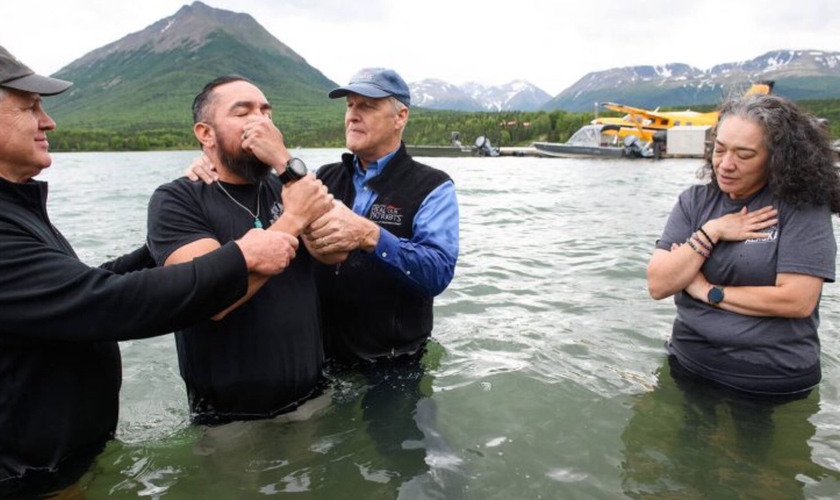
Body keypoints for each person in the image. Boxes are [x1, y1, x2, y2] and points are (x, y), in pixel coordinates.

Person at [0, 47, 298, 496]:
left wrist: (164, 244)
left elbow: (76, 287)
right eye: (29, 107)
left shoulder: (16, 208)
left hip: (59, 464)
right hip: (26, 478)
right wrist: (245, 255)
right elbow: (104, 302)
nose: (48, 122)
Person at [146, 75, 334, 425]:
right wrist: (293, 219)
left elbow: (334, 250)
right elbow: (205, 298)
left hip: (311, 397)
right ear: (205, 134)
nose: (260, 121)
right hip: (230, 416)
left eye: (266, 112)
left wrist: (283, 160)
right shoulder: (176, 199)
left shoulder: (287, 185)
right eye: (243, 112)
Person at [646, 93, 840, 396]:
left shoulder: (801, 208)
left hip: (768, 378)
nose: (726, 164)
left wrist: (706, 290)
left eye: (744, 155)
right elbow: (658, 284)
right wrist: (712, 232)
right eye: (720, 150)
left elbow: (797, 300)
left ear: (777, 158)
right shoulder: (694, 203)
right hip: (688, 362)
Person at [306, 67, 459, 365]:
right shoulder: (323, 178)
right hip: (320, 356)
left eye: (367, 106)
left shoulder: (433, 186)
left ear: (400, 117)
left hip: (393, 364)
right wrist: (211, 170)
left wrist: (370, 236)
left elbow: (437, 272)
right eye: (350, 105)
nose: (352, 115)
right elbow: (271, 206)